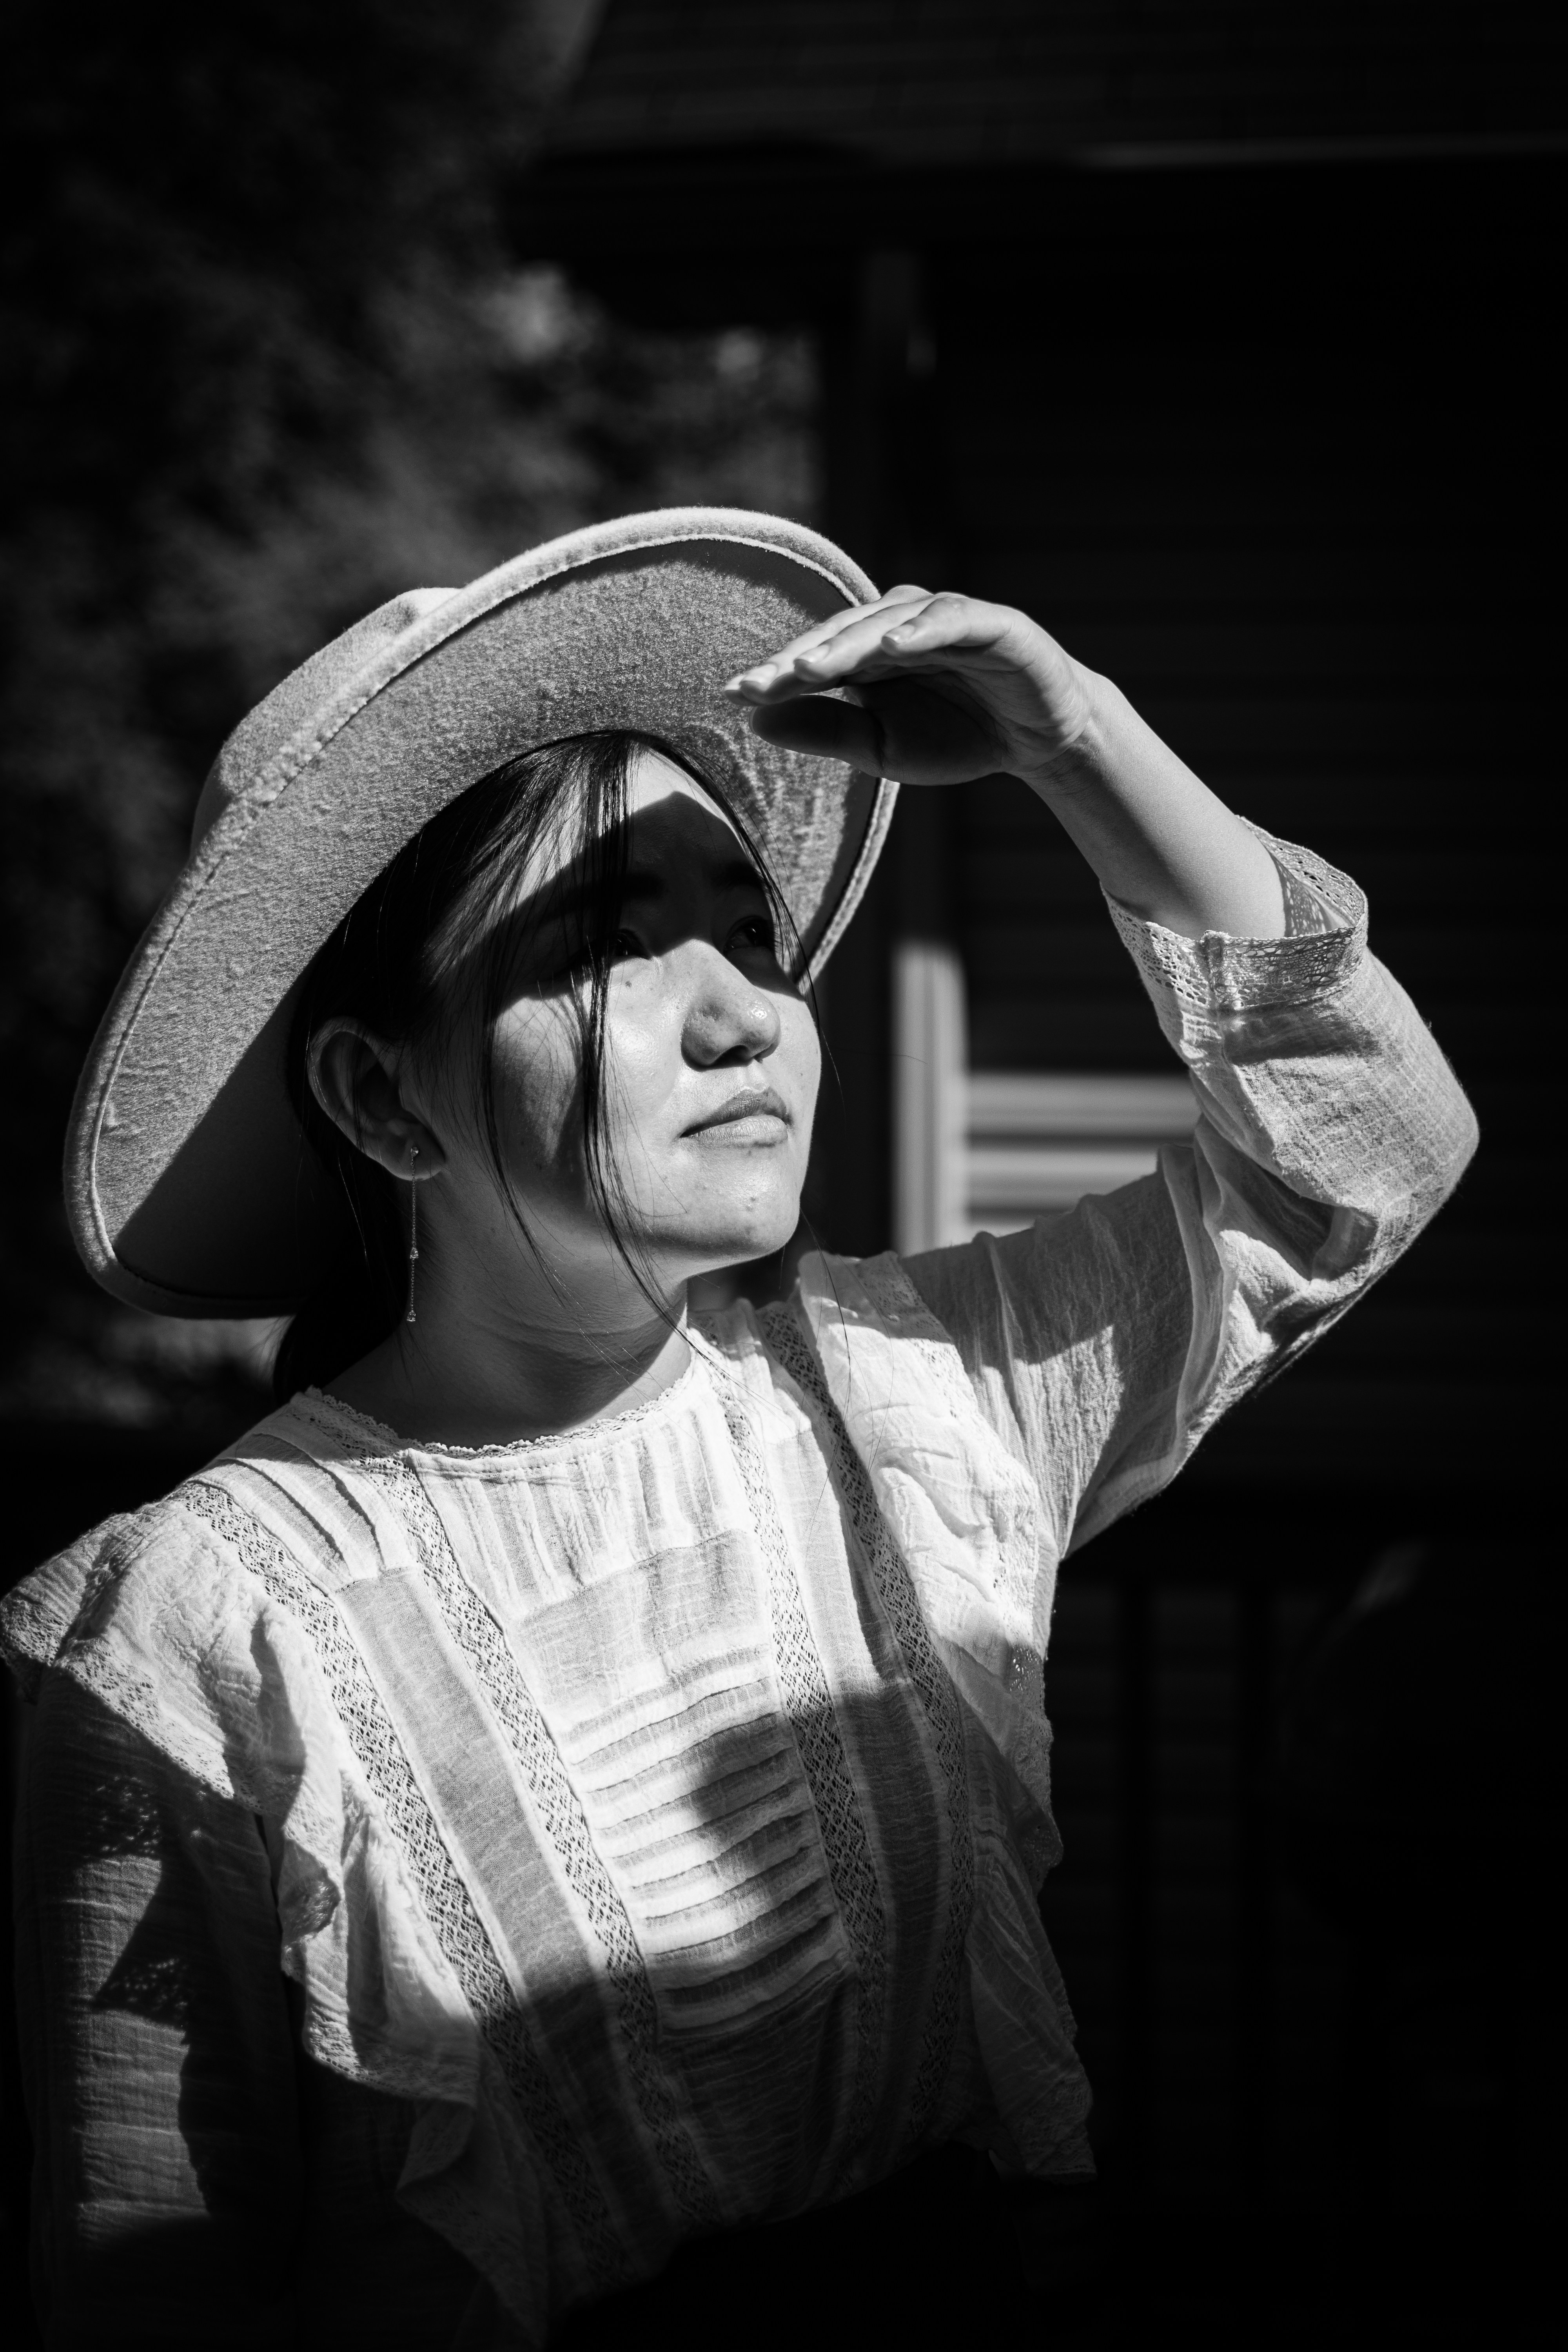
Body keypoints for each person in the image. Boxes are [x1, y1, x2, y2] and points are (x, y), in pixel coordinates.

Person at [0, 510, 1476, 2347]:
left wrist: (1074, 736)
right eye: (607, 946)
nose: (742, 1019)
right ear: (381, 1097)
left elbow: (1364, 1155)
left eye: (751, 931)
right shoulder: (198, 1629)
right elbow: (149, 2274)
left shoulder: (910, 1397)